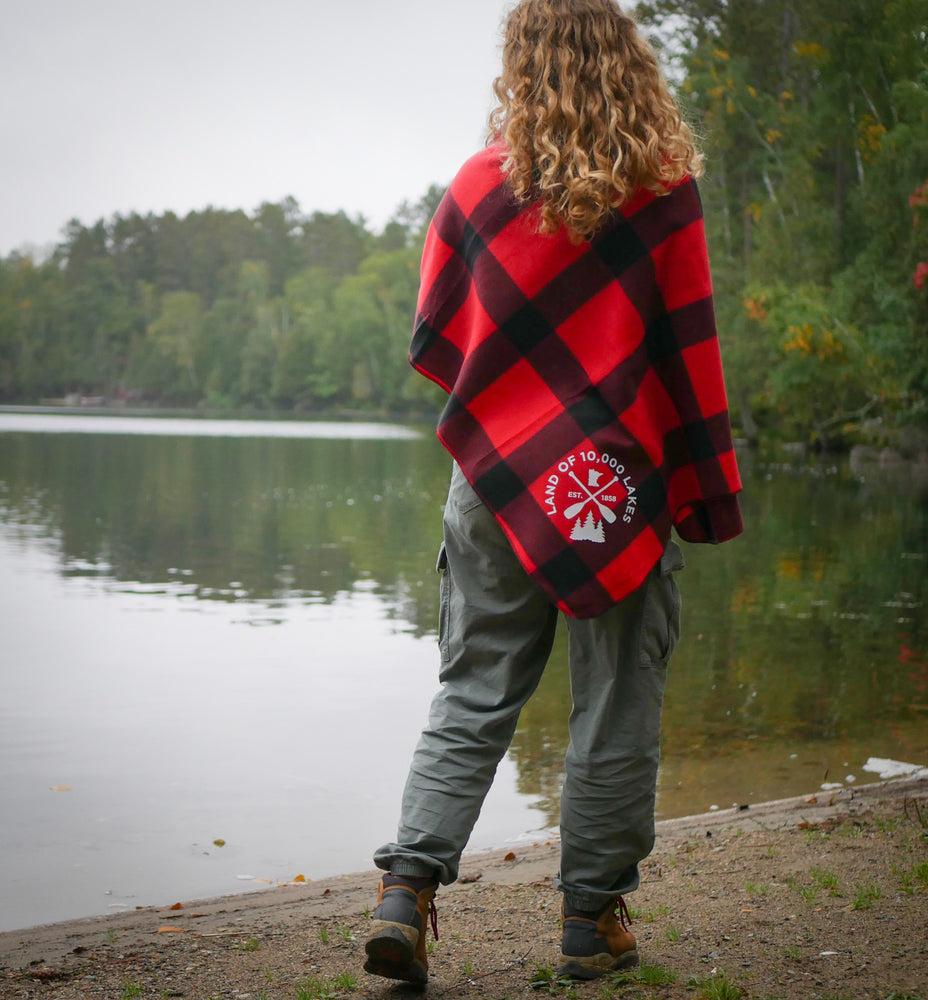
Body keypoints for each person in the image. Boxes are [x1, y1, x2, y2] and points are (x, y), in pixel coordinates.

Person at [363, 0, 743, 985]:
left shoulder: (475, 188)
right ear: (627, 61)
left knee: (475, 683)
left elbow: (435, 335)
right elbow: (690, 357)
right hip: (615, 486)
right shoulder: (662, 191)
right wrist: (706, 491)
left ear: (518, 61)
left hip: (493, 479)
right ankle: (589, 921)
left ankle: (406, 891)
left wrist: (509, 418)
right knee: (617, 699)